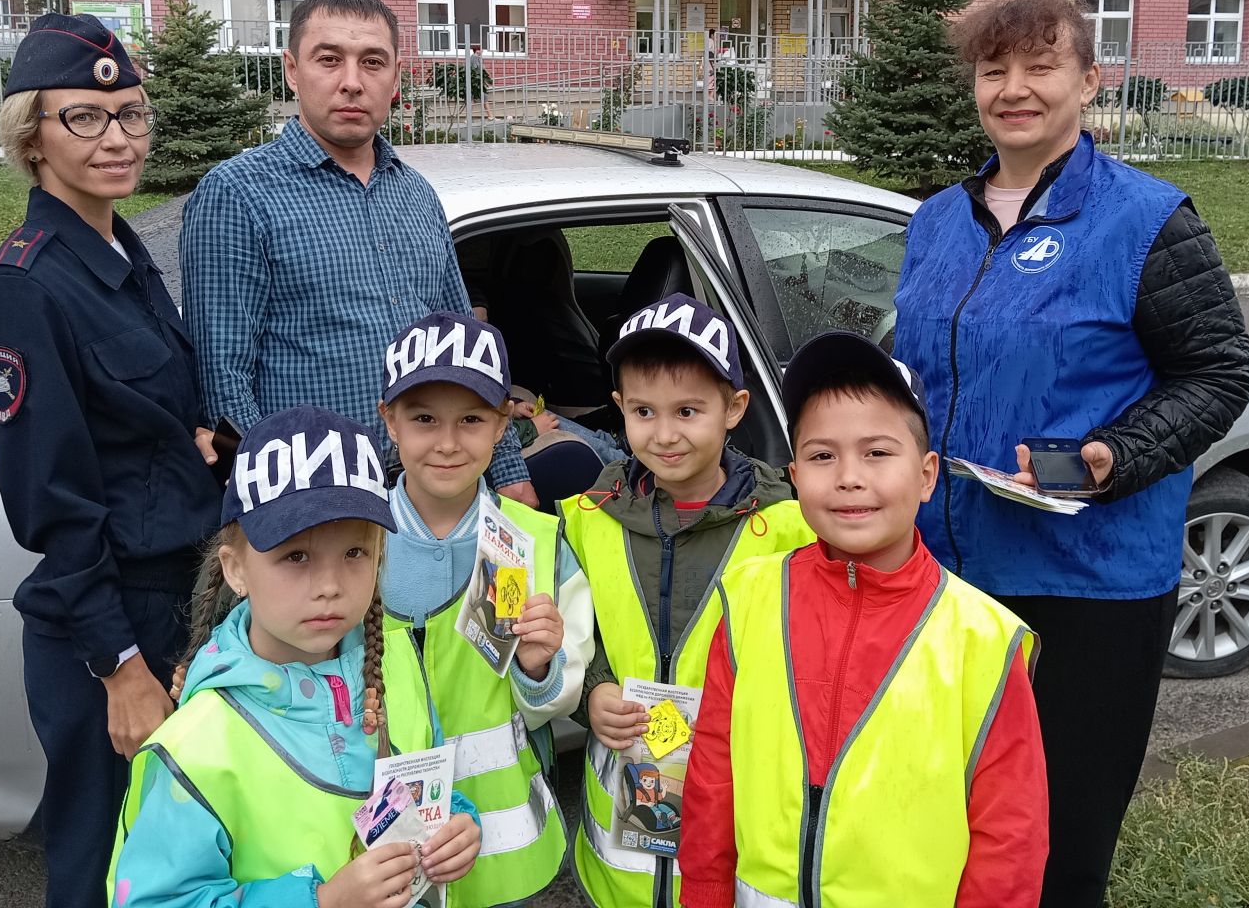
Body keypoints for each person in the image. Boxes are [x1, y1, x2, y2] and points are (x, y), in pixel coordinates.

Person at [892, 0, 1249, 908]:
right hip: (945, 576)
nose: (1013, 89)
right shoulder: (936, 222)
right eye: (994, 70)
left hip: (1089, 589)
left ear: (1089, 81)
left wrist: (1113, 456)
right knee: (946, 820)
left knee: (1059, 838)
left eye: (1040, 67)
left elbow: (1218, 374)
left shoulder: (1147, 219)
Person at [0, 13, 221, 908]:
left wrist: (204, 445)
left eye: (132, 114)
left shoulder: (119, 250)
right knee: (101, 870)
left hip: (172, 600)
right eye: (85, 117)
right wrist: (123, 669)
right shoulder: (26, 288)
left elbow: (140, 421)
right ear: (31, 138)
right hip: (110, 630)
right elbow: (54, 505)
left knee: (173, 862)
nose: (118, 138)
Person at [679, 331, 1047, 908]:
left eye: (877, 452)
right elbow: (712, 767)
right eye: (822, 456)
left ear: (926, 475)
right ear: (794, 475)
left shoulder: (983, 638)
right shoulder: (749, 597)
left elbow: (1012, 830)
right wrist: (704, 892)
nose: (849, 476)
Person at [108, 406, 483, 908]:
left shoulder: (397, 663)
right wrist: (321, 901)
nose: (329, 586)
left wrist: (456, 824)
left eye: (354, 553)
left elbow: (427, 788)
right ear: (235, 569)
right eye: (296, 556)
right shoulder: (194, 749)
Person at [179, 0, 536, 506]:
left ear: (395, 76)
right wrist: (278, 504)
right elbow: (223, 378)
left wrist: (506, 471)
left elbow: (465, 346)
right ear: (292, 69)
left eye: (372, 62)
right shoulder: (237, 194)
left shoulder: (416, 193)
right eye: (329, 60)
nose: (352, 82)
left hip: (429, 494)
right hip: (316, 501)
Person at [558, 293, 814, 908]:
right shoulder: (589, 519)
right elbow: (572, 634)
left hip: (732, 817)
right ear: (619, 406)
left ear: (734, 409)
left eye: (688, 411)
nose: (665, 434)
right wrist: (592, 692)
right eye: (644, 411)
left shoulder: (789, 528)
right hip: (618, 857)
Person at [375, 311, 595, 907]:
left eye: (471, 419)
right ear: (389, 420)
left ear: (503, 425)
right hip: (385, 852)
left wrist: (539, 666)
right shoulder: (352, 544)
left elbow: (560, 700)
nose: (448, 443)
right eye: (424, 419)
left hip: (508, 856)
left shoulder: (535, 543)